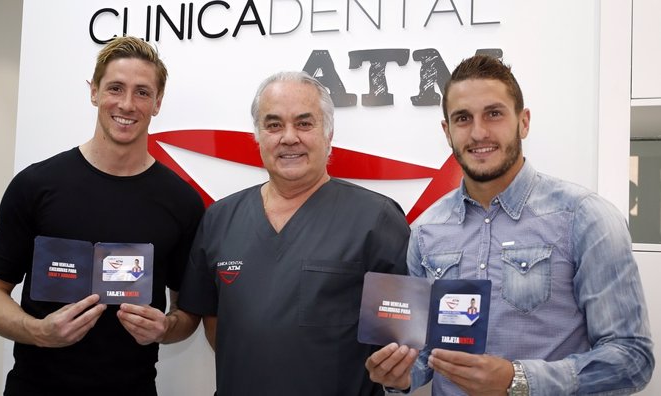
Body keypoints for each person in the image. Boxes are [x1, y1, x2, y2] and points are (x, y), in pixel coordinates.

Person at [365, 55, 655, 395]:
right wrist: (400, 376)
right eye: (462, 118)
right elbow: (425, 354)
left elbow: (632, 360)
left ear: (524, 121)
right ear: (447, 132)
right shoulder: (426, 232)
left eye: (494, 113)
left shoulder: (585, 217)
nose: (478, 132)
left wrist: (517, 380)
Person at [0, 36, 204, 396]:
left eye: (142, 92)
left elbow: (187, 315)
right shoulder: (36, 185)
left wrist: (165, 328)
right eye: (115, 88)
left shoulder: (182, 202)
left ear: (158, 102)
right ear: (94, 91)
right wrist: (38, 331)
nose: (127, 104)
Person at [169, 71, 411, 395]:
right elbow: (215, 323)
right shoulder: (219, 219)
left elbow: (401, 339)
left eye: (304, 123)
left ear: (328, 134)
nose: (288, 137)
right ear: (257, 136)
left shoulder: (377, 220)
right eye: (273, 125)